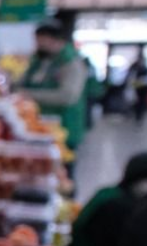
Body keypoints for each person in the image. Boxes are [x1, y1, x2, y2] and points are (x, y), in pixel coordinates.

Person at [17, 20, 93, 149]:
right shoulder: (41, 59)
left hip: (64, 128)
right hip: (41, 125)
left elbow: (67, 96)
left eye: (40, 41)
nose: (37, 45)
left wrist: (29, 94)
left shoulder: (71, 63)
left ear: (54, 40)